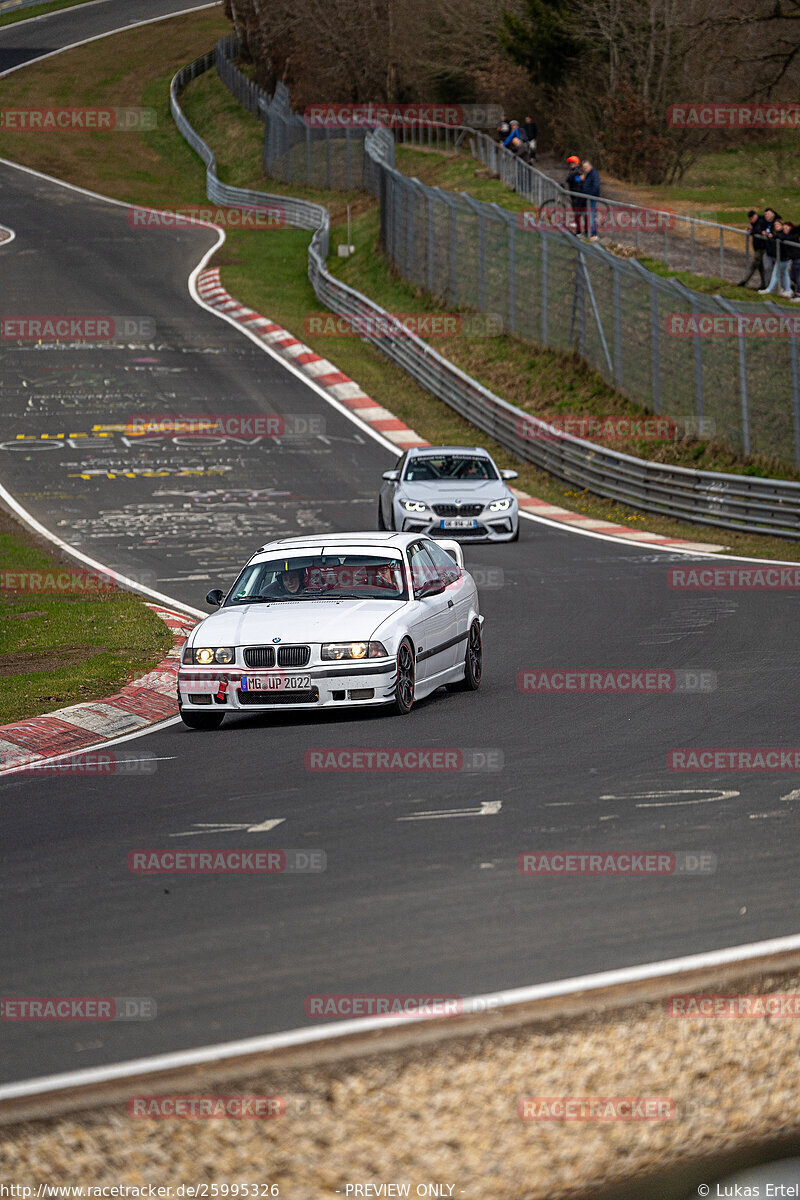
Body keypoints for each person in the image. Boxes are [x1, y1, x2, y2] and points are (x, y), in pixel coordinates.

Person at [760, 216, 792, 297]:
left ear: (782, 225)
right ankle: (788, 290)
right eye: (775, 225)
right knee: (784, 274)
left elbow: (781, 237)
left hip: (783, 257)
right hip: (783, 257)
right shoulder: (778, 233)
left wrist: (773, 236)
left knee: (775, 274)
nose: (776, 226)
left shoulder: (782, 233)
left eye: (778, 225)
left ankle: (769, 289)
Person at [738, 209, 768, 290]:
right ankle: (764, 284)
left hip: (762, 248)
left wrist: (753, 231)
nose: (751, 220)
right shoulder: (753, 223)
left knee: (754, 265)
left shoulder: (761, 221)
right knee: (760, 267)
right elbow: (751, 230)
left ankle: (744, 281)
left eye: (752, 218)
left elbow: (758, 231)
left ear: (756, 215)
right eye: (750, 219)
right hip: (757, 247)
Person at [581, 159, 601, 239]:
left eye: (586, 167)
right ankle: (587, 233)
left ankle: (594, 234)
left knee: (592, 216)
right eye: (584, 168)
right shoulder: (588, 174)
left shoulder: (594, 174)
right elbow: (586, 183)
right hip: (587, 197)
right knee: (587, 215)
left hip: (591, 197)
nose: (585, 169)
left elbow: (596, 186)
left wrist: (590, 195)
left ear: (590, 166)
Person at [565, 155, 585, 234]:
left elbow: (579, 180)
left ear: (577, 163)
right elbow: (572, 180)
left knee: (578, 212)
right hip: (573, 193)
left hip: (578, 194)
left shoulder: (579, 171)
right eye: (570, 163)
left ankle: (579, 231)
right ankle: (578, 230)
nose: (571, 164)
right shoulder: (573, 171)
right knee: (576, 213)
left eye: (573, 163)